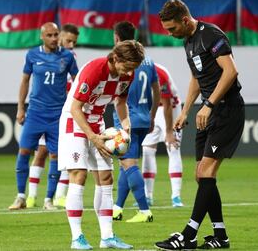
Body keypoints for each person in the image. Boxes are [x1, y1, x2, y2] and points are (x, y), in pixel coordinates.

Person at [155, 0, 245, 249]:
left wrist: (209, 104)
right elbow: (197, 77)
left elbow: (230, 71)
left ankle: (189, 234)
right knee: (201, 176)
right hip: (210, 111)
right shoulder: (189, 41)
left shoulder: (212, 36)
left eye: (172, 29)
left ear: (185, 20)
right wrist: (185, 110)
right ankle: (221, 235)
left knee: (206, 172)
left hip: (227, 110)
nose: (169, 34)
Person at [58, 40, 145, 249]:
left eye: (134, 67)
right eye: (128, 66)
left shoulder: (128, 75)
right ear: (116, 58)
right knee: (79, 174)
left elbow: (120, 102)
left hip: (98, 124)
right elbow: (76, 107)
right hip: (74, 121)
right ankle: (76, 237)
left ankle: (107, 237)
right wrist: (93, 138)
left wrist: (126, 125)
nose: (130, 71)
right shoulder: (95, 69)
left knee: (106, 177)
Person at [8, 22, 78, 211]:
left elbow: (78, 82)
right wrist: (20, 108)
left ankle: (49, 199)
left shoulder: (67, 57)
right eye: (50, 35)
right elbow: (25, 81)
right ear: (42, 36)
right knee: (24, 152)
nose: (54, 38)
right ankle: (21, 197)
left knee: (55, 156)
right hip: (35, 113)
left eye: (56, 35)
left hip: (57, 115)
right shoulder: (32, 54)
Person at [111, 21, 160, 223]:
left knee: (129, 164)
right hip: (143, 117)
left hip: (126, 118)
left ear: (116, 38)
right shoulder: (147, 60)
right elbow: (157, 90)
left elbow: (117, 95)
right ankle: (117, 207)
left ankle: (144, 210)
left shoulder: (120, 60)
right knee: (126, 164)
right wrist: (152, 114)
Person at [141, 63, 184, 208]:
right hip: (152, 108)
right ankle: (148, 196)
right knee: (147, 150)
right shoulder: (132, 71)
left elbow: (167, 103)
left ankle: (176, 196)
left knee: (173, 148)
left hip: (171, 108)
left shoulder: (158, 73)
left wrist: (170, 131)